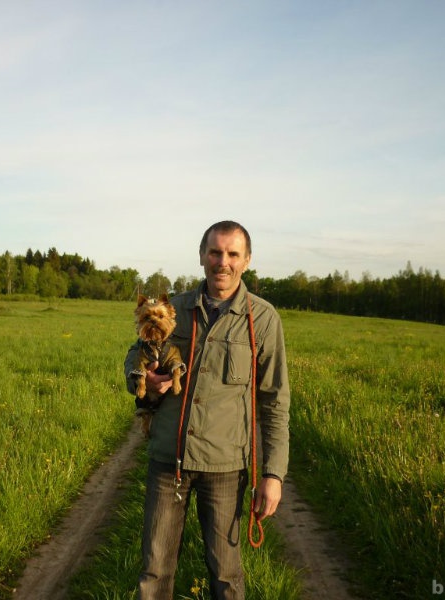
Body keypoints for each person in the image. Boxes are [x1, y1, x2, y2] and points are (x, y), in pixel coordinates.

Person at [124, 220, 290, 599]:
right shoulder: (173, 309)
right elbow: (134, 356)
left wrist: (274, 475)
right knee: (154, 571)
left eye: (233, 254)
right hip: (170, 460)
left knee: (226, 576)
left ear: (247, 260)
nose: (223, 262)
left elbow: (276, 402)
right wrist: (142, 381)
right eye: (215, 252)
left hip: (226, 467)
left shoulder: (263, 320)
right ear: (202, 256)